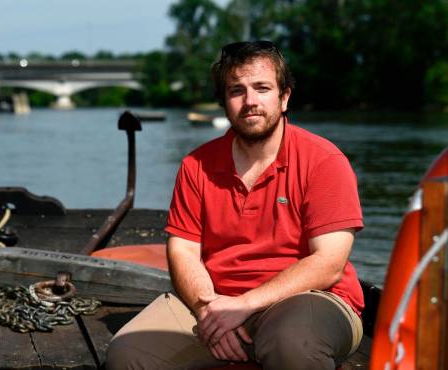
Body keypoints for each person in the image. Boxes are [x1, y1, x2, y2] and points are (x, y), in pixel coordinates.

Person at [106, 40, 364, 370]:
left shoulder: (324, 161)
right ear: (225, 102)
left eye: (262, 88)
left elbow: (329, 263)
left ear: (284, 97)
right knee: (128, 354)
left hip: (312, 298)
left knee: (293, 345)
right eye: (236, 90)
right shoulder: (196, 166)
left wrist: (242, 306)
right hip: (216, 300)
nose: (250, 101)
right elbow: (184, 252)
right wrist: (207, 310)